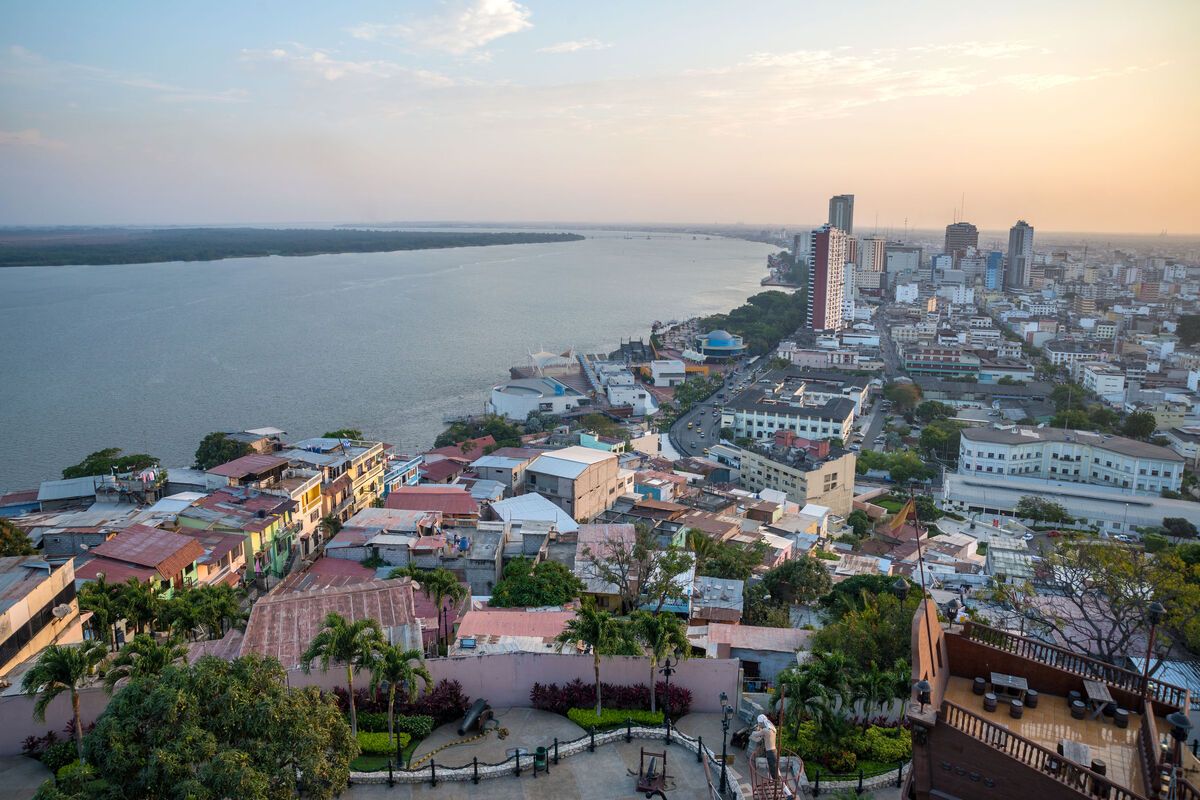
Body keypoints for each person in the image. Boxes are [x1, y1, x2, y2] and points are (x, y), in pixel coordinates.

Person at [748, 714, 791, 797]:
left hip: (770, 754)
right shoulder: (771, 728)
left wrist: (755, 730)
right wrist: (759, 729)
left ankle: (788, 794)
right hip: (775, 752)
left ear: (761, 722)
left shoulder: (765, 731)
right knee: (776, 772)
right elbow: (760, 738)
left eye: (759, 723)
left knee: (776, 776)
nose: (759, 724)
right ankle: (783, 788)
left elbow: (755, 735)